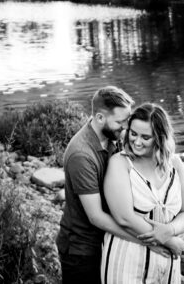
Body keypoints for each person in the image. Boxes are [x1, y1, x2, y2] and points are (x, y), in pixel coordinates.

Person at [57, 86, 151, 284]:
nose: (125, 128)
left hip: (104, 241)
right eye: (120, 122)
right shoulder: (81, 155)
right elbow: (96, 216)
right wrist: (146, 241)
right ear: (100, 118)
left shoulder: (110, 137)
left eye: (126, 121)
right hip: (80, 250)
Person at [101, 103, 184, 284]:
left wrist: (170, 230)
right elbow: (124, 218)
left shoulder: (175, 164)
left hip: (168, 266)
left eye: (146, 137)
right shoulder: (120, 163)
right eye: (133, 133)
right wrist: (168, 242)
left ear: (160, 138)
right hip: (126, 262)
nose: (137, 142)